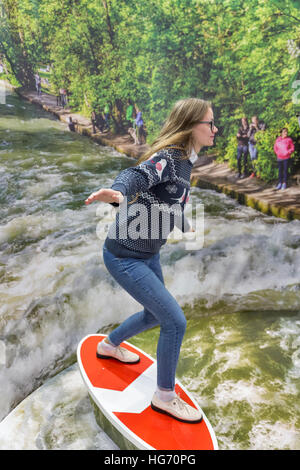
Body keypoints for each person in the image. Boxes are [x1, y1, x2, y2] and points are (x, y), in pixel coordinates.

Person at [85, 98, 218, 423]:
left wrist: (185, 224)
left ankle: (110, 345)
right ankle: (164, 397)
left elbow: (169, 199)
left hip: (148, 253)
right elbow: (138, 175)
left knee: (155, 315)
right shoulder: (169, 159)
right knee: (175, 321)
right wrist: (118, 193)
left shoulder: (187, 161)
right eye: (210, 123)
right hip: (124, 256)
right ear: (190, 126)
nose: (215, 130)